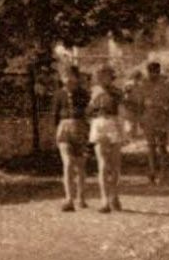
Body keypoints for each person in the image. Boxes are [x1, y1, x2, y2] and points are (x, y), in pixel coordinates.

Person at [51, 66, 90, 212]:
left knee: (80, 166)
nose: (67, 79)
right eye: (64, 76)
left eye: (70, 76)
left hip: (80, 129)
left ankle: (81, 197)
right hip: (64, 129)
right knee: (67, 163)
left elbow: (88, 113)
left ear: (77, 78)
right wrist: (58, 131)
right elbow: (54, 116)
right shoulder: (58, 95)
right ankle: (69, 198)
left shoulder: (83, 94)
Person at [87, 66, 126, 213]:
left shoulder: (117, 92)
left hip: (114, 124)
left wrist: (123, 129)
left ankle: (114, 196)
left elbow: (122, 111)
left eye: (106, 75)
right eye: (100, 76)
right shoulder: (93, 92)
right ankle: (104, 199)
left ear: (111, 77)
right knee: (102, 164)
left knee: (115, 165)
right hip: (99, 125)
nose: (103, 78)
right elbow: (88, 112)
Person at [138, 60, 169, 183]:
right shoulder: (143, 85)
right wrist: (140, 118)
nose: (153, 74)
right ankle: (152, 171)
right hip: (148, 117)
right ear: (148, 72)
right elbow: (140, 104)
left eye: (156, 72)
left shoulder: (165, 85)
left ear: (159, 71)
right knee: (151, 146)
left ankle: (163, 173)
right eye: (151, 72)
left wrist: (168, 115)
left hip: (162, 116)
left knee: (162, 146)